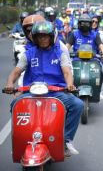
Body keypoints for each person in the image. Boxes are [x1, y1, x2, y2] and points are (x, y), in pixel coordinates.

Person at [3, 21, 84, 157]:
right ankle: (20, 140)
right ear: (35, 38)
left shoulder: (60, 53)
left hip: (56, 92)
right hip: (31, 92)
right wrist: (10, 83)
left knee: (77, 104)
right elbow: (16, 71)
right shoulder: (28, 54)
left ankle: (66, 140)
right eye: (39, 36)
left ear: (52, 37)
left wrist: (70, 85)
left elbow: (67, 72)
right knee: (15, 104)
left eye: (46, 36)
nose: (43, 39)